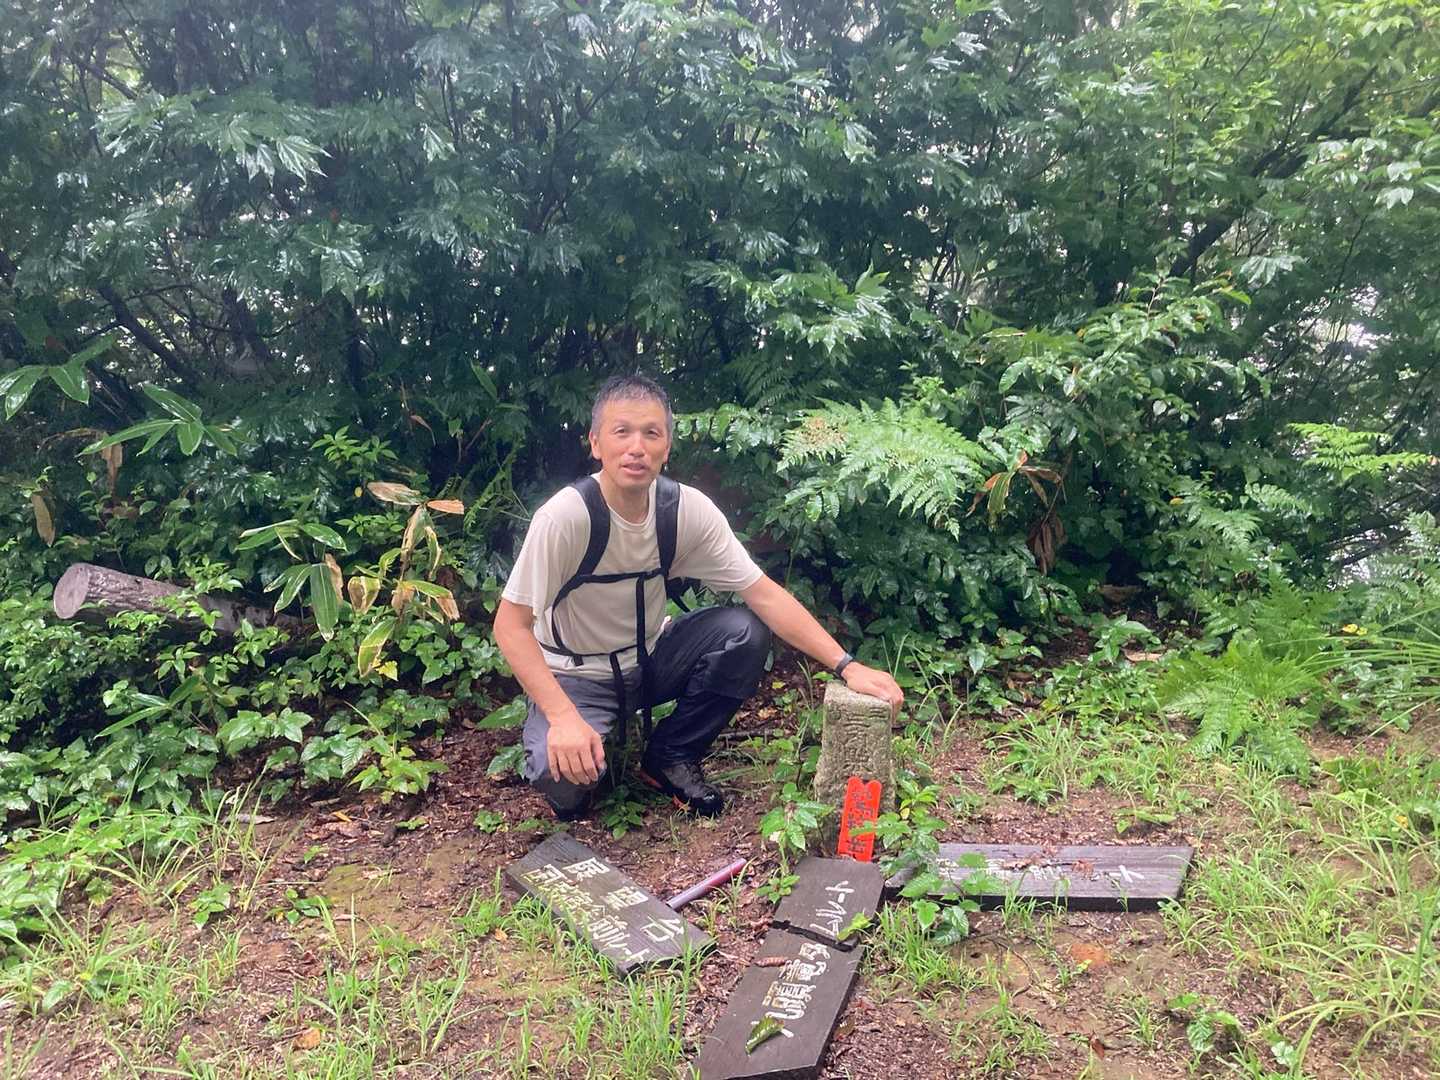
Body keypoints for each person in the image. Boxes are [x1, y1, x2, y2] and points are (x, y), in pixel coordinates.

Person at [493, 374, 904, 820]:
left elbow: (763, 594)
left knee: (742, 632)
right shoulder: (565, 518)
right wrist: (562, 716)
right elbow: (510, 627)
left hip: (650, 659)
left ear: (667, 447)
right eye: (621, 432)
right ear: (596, 443)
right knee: (561, 778)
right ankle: (585, 747)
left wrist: (848, 666)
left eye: (652, 433)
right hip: (576, 676)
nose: (637, 447)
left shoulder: (683, 510)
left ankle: (669, 755)